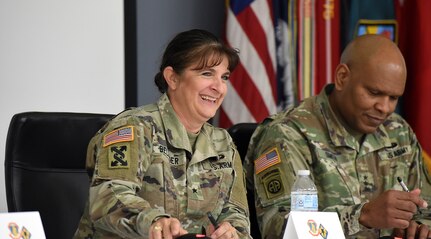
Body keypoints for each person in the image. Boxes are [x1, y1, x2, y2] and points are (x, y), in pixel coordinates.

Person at [244, 34, 431, 239]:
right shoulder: (288, 134)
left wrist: (421, 225)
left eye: (393, 98)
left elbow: (426, 209)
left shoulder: (398, 131)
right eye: (374, 92)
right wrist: (363, 216)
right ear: (342, 77)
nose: (384, 108)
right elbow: (279, 230)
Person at [74, 29, 251, 239]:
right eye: (206, 74)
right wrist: (155, 222)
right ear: (172, 78)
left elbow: (236, 212)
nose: (219, 87)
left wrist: (230, 230)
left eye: (224, 77)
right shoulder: (133, 128)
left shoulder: (224, 144)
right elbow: (109, 198)